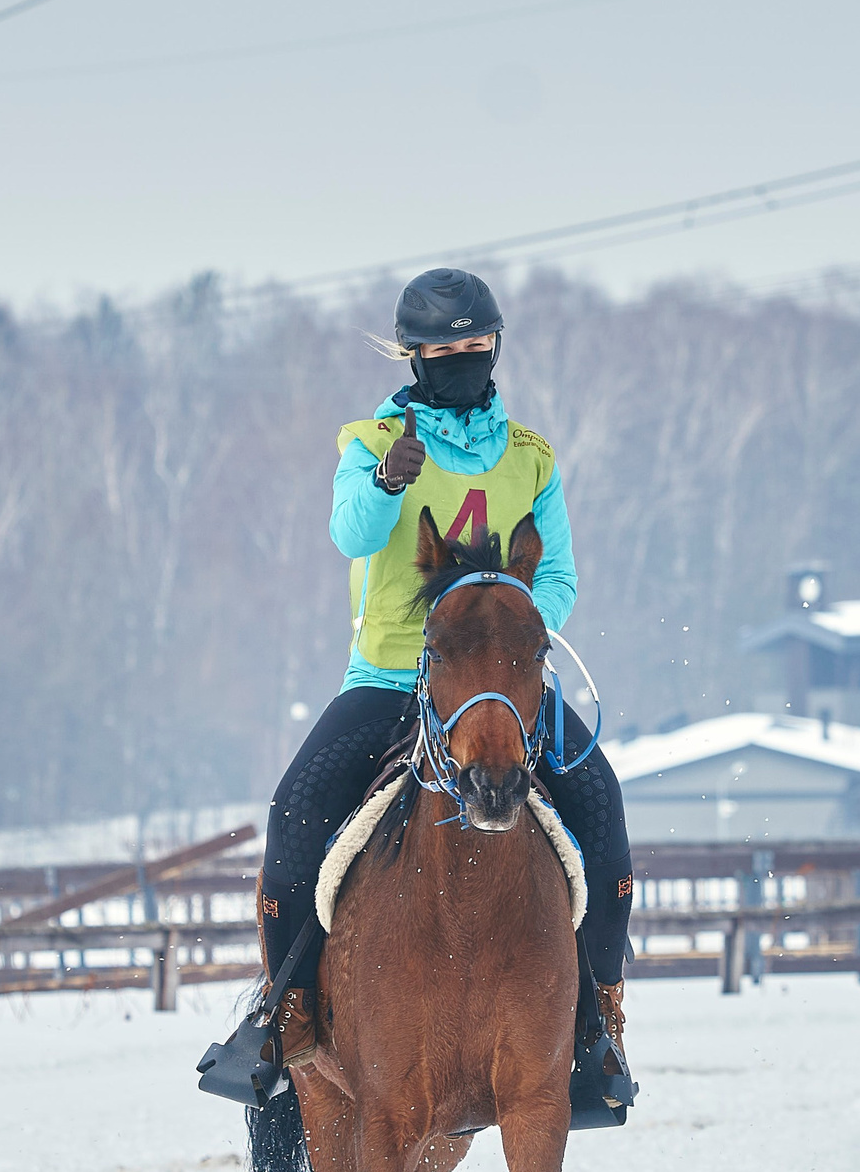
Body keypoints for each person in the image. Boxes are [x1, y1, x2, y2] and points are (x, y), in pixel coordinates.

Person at [251, 267, 635, 1119]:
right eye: (443, 351)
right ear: (412, 356)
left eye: (476, 347)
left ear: (494, 348)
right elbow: (348, 533)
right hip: (389, 677)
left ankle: (600, 1021)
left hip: (499, 688)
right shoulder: (372, 440)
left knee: (601, 803)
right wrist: (390, 481)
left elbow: (560, 574)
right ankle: (285, 1018)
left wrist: (506, 639)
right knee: (295, 816)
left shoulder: (532, 457)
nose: (462, 361)